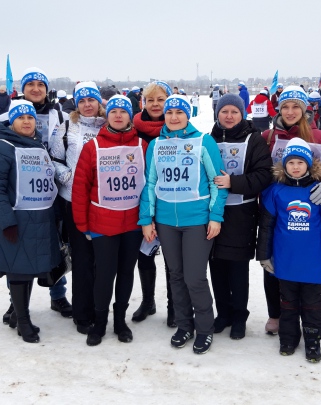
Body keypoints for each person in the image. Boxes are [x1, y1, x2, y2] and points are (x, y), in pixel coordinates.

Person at [138, 94, 228, 355]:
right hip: (165, 221)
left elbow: (217, 182)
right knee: (175, 275)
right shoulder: (156, 144)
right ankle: (184, 324)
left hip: (197, 220)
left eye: (179, 112)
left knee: (194, 277)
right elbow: (150, 183)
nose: (174, 117)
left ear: (188, 115)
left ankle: (204, 328)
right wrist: (147, 219)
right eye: (169, 113)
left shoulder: (203, 141)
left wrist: (215, 217)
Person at [260, 85, 321, 335]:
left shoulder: (320, 137)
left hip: (308, 209)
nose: (290, 111)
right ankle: (276, 314)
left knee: (303, 267)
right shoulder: (268, 137)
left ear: (305, 110)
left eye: (296, 106)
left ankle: (307, 320)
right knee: (273, 261)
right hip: (275, 207)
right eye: (285, 106)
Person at [0, 67, 72, 321]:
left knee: (55, 245)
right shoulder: (7, 116)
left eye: (41, 85)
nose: (36, 89)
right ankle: (16, 302)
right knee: (17, 249)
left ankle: (57, 295)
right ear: (23, 88)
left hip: (52, 190)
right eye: (31, 85)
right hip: (20, 194)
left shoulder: (59, 114)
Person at [257, 138, 321, 362]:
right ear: (284, 165)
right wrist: (264, 255)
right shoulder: (276, 192)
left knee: (312, 302)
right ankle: (288, 337)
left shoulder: (319, 192)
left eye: (300, 162)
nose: (295, 167)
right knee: (288, 302)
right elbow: (266, 227)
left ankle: (313, 339)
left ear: (309, 165)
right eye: (291, 162)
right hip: (286, 260)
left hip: (311, 261)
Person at [72, 95, 147, 346]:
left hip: (133, 224)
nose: (118, 115)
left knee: (126, 273)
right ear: (107, 116)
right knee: (104, 275)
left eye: (123, 112)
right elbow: (80, 188)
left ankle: (120, 321)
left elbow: (150, 185)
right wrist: (82, 224)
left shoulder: (142, 146)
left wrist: (148, 220)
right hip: (102, 223)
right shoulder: (93, 146)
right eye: (113, 111)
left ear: (130, 116)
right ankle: (100, 322)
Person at [0, 100, 61, 343]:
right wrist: (6, 221)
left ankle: (18, 314)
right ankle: (24, 321)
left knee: (29, 269)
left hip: (39, 218)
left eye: (30, 118)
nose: (26, 122)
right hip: (16, 220)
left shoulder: (38, 145)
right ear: (11, 122)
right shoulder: (2, 148)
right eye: (21, 118)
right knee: (18, 271)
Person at [209, 94, 273, 339]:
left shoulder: (253, 139)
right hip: (212, 213)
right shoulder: (209, 138)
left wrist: (233, 183)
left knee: (237, 269)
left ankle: (239, 316)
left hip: (241, 214)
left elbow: (263, 175)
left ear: (242, 114)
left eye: (234, 112)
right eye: (224, 111)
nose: (229, 116)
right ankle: (223, 313)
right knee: (216, 266)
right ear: (217, 114)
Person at [49, 81, 105, 333]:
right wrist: (69, 177)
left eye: (91, 100)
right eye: (82, 101)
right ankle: (82, 315)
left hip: (105, 203)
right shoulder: (67, 126)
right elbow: (53, 159)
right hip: (74, 201)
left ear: (98, 102)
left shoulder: (108, 125)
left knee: (102, 261)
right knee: (82, 259)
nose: (87, 105)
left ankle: (100, 308)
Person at [131, 80, 176, 327]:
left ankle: (174, 306)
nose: (156, 104)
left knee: (172, 258)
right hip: (142, 201)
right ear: (143, 103)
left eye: (161, 99)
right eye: (151, 100)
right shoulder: (134, 129)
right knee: (144, 254)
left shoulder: (177, 128)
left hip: (171, 202)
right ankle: (148, 301)